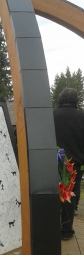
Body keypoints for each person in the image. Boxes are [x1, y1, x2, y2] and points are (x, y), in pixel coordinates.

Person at [54, 87, 84, 240]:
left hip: (51, 164)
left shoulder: (51, 116)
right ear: (75, 101)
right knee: (69, 196)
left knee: (52, 194)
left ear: (60, 100)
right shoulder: (81, 117)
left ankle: (50, 227)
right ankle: (66, 231)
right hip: (74, 166)